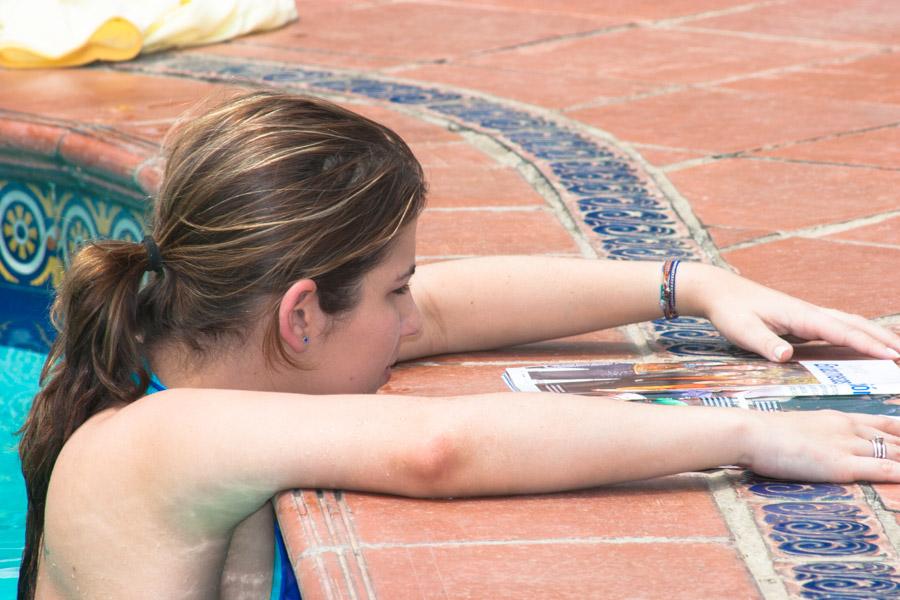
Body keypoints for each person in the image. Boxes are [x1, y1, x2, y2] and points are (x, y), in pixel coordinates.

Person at [17, 90, 900, 600]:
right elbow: (439, 448)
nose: (413, 319)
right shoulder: (158, 442)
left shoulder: (197, 347)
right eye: (395, 290)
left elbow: (441, 312)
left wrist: (690, 286)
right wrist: (745, 431)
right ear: (299, 317)